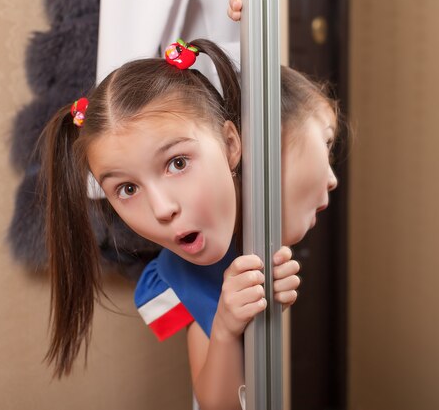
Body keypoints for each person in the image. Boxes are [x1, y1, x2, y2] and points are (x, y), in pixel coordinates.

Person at [41, 38, 339, 409]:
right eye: (128, 188)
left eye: (177, 163)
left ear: (232, 144)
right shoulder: (187, 275)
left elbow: (298, 115)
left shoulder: (265, 192)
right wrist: (227, 327)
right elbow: (218, 404)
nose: (162, 209)